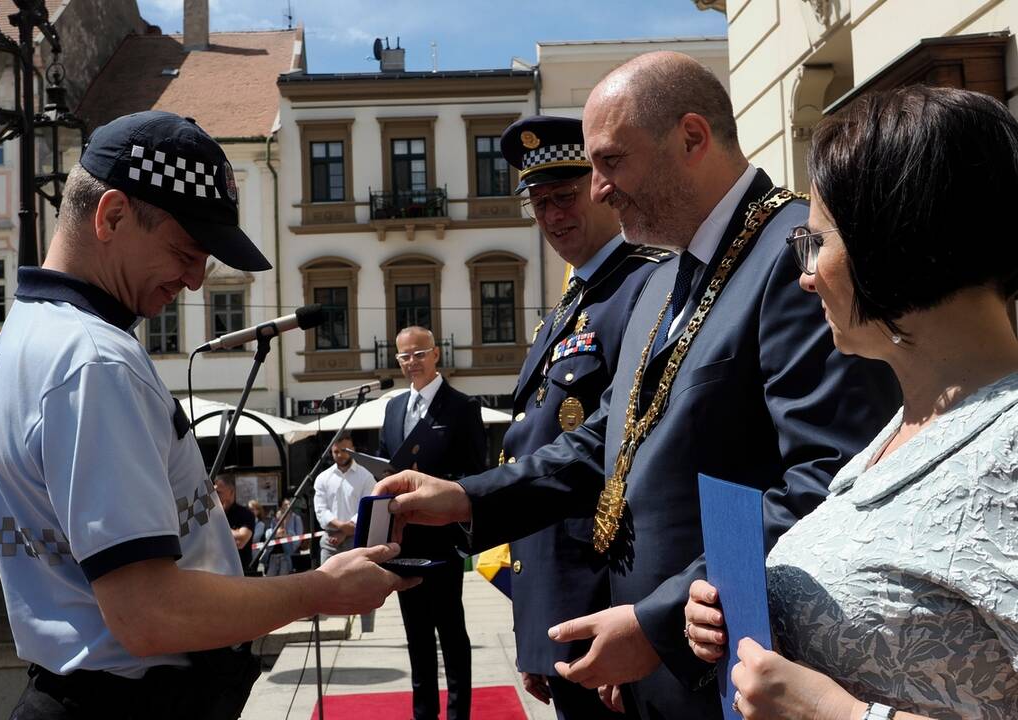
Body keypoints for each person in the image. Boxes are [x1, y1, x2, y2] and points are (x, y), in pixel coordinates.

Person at [374, 51, 900, 720]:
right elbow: (607, 444)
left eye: (610, 162)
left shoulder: (791, 261)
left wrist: (655, 625)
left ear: (691, 138)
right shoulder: (662, 279)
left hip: (743, 676)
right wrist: (465, 497)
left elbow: (826, 484)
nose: (597, 189)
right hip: (660, 675)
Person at [0, 110, 416, 720]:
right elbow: (148, 614)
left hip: (85, 689)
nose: (193, 282)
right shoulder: (95, 360)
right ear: (110, 216)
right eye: (186, 252)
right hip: (132, 701)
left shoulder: (27, 333)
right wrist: (323, 590)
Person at [683, 86, 1018, 720]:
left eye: (817, 243)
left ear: (895, 240)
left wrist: (831, 713)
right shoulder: (909, 422)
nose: (806, 275)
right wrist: (753, 617)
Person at [497, 115, 669, 719]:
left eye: (564, 197)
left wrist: (634, 631)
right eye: (538, 203)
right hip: (563, 608)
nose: (552, 216)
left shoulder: (647, 288)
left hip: (607, 605)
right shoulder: (573, 304)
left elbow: (638, 476)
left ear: (600, 187)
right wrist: (535, 629)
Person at [378, 326, 487, 720]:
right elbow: (384, 461)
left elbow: (476, 473)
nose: (411, 362)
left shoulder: (462, 407)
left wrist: (439, 486)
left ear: (436, 354)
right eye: (404, 356)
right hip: (405, 541)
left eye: (419, 354)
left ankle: (459, 714)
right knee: (417, 638)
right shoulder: (392, 409)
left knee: (451, 634)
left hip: (443, 540)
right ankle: (423, 713)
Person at [313, 435, 375, 565]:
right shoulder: (323, 478)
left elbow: (368, 507)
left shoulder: (366, 476)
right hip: (330, 540)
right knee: (325, 582)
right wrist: (341, 527)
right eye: (336, 451)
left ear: (353, 449)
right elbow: (321, 510)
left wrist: (345, 532)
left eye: (345, 450)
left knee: (355, 582)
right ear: (331, 451)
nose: (340, 455)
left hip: (356, 539)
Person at [214, 476, 256, 573]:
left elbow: (241, 540)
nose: (214, 496)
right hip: (216, 572)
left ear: (231, 492)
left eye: (218, 492)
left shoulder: (245, 514)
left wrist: (217, 526)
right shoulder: (212, 515)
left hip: (238, 572)